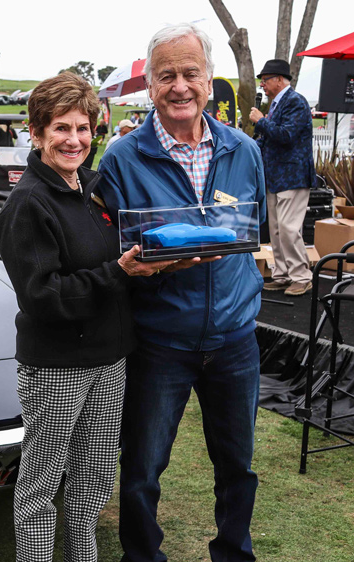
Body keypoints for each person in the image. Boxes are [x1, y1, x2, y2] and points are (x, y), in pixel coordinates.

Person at [98, 23, 267, 562]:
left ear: (209, 79)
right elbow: (111, 253)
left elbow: (250, 229)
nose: (180, 86)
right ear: (149, 84)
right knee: (143, 467)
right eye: (166, 75)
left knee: (237, 464)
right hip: (160, 342)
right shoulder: (121, 159)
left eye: (190, 73)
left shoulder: (244, 150)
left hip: (235, 339)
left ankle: (234, 553)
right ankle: (142, 556)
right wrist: (145, 265)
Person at [0, 71, 173, 562]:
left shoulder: (92, 189)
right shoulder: (28, 203)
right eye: (61, 129)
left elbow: (120, 260)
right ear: (36, 133)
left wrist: (161, 257)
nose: (75, 140)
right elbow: (44, 298)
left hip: (109, 360)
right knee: (41, 484)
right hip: (56, 367)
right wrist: (117, 272)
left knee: (94, 479)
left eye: (83, 128)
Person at [249, 58, 315, 297]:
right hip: (275, 176)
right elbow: (267, 139)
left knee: (288, 229)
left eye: (265, 81)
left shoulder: (296, 102)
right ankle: (283, 274)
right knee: (276, 229)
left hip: (293, 176)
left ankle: (301, 276)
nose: (263, 86)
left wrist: (261, 121)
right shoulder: (277, 104)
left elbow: (286, 135)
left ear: (279, 79)